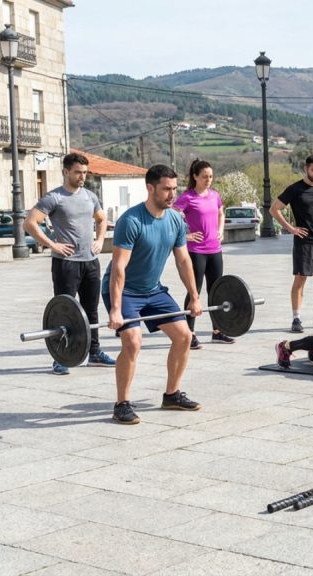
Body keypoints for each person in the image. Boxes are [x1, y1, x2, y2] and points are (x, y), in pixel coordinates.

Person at [102, 165, 203, 425]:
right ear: (150, 188)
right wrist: (115, 309)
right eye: (166, 189)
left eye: (174, 189)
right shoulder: (131, 220)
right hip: (124, 291)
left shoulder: (175, 220)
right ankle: (122, 404)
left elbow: (183, 262)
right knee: (133, 342)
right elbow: (119, 269)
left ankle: (171, 395)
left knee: (184, 336)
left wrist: (194, 296)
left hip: (153, 289)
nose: (172, 194)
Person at [25, 152, 116, 375]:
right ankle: (61, 358)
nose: (82, 176)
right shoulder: (54, 198)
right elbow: (30, 223)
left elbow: (102, 218)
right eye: (78, 172)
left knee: (91, 310)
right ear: (66, 171)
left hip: (90, 262)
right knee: (64, 312)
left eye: (85, 172)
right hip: (66, 263)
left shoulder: (90, 196)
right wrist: (52, 245)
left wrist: (99, 239)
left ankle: (94, 352)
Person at [270, 154, 313, 333]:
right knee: (300, 279)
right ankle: (296, 319)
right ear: (305, 169)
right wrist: (290, 228)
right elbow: (274, 209)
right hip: (304, 242)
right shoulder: (295, 189)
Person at [173, 159, 234, 350]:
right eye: (205, 177)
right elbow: (170, 217)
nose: (208, 180)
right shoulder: (187, 197)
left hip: (215, 250)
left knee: (216, 291)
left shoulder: (215, 195)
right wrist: (187, 235)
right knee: (194, 291)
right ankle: (189, 333)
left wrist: (221, 230)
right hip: (196, 251)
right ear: (195, 177)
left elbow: (220, 213)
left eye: (211, 177)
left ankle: (217, 331)